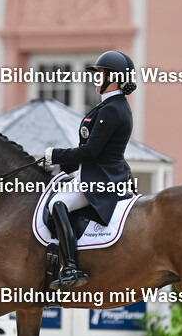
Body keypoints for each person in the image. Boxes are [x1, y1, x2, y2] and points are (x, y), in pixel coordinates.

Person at [41, 50, 137, 290]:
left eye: (100, 74)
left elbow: (91, 152)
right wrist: (59, 166)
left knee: (57, 204)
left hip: (101, 178)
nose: (96, 78)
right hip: (96, 172)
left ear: (113, 78)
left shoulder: (113, 110)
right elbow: (89, 151)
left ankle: (71, 267)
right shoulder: (109, 107)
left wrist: (55, 154)